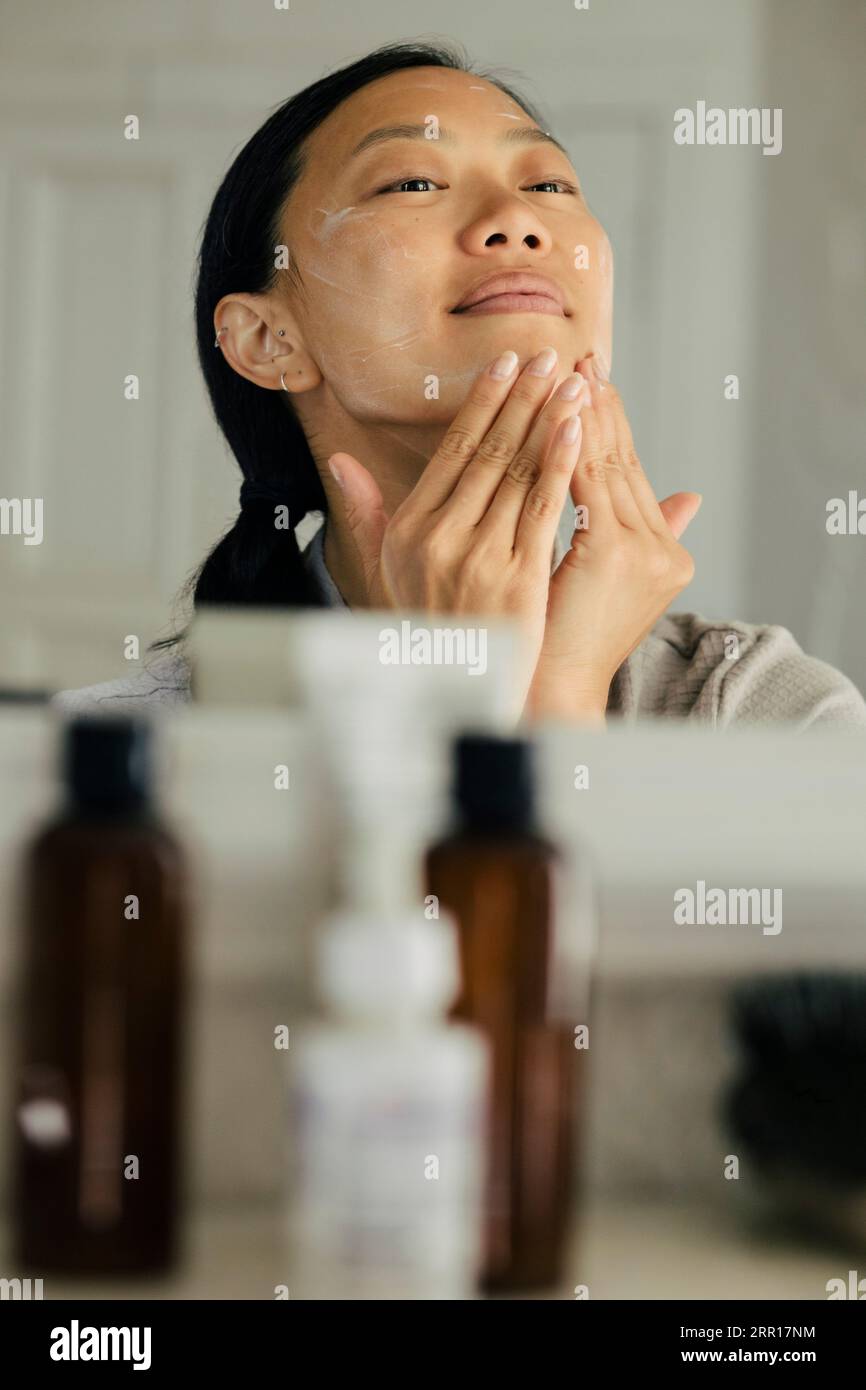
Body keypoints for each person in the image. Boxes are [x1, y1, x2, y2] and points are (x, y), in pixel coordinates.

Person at [54, 40, 866, 729]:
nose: (518, 219)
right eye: (412, 182)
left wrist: (554, 696)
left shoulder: (765, 708)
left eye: (547, 184)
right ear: (270, 339)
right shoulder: (126, 746)